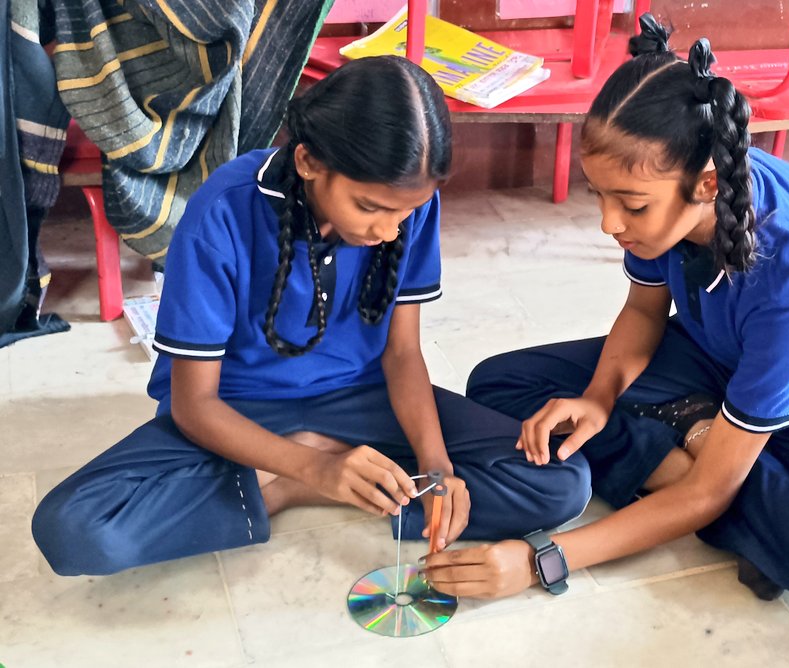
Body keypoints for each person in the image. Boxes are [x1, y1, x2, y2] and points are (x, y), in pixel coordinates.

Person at [422, 17, 789, 620]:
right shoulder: (665, 205)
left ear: (707, 184)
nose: (609, 223)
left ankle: (717, 451)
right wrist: (598, 396)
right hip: (717, 362)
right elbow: (644, 310)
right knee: (501, 385)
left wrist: (543, 558)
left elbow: (709, 490)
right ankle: (714, 447)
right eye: (600, 194)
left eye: (631, 204)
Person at [32, 56, 590, 577]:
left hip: (364, 400)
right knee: (75, 530)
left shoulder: (407, 207)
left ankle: (310, 479)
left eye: (407, 211)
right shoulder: (222, 213)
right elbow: (194, 405)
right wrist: (309, 468)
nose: (389, 230)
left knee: (562, 483)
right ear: (308, 162)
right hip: (238, 411)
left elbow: (401, 354)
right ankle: (285, 487)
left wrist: (438, 469)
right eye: (370, 208)